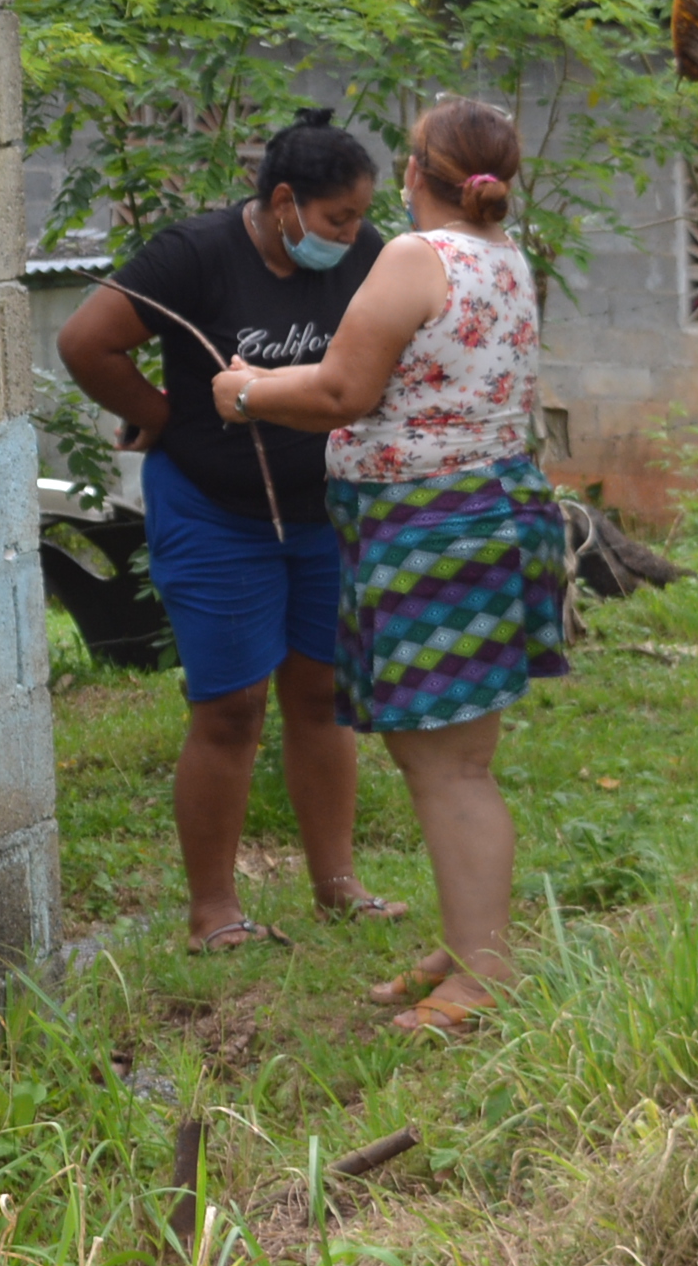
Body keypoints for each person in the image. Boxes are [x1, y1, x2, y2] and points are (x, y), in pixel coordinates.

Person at [207, 97, 567, 1035]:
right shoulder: (505, 258)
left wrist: (243, 390)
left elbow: (341, 388)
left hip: (430, 525)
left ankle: (486, 974)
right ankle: (470, 936)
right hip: (482, 511)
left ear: (418, 174)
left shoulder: (418, 256)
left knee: (446, 768)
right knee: (458, 754)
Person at [53, 119, 405, 951]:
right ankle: (214, 910)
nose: (353, 235)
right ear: (284, 203)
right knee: (232, 706)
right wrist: (163, 418)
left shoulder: (364, 258)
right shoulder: (196, 255)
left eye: (360, 217)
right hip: (215, 515)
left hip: (325, 513)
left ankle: (337, 885)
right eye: (337, 218)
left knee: (322, 696)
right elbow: (85, 341)